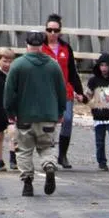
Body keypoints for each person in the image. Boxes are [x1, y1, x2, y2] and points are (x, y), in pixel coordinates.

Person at [3, 30, 66, 197]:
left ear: (27, 44)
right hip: (48, 116)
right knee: (46, 146)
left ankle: (27, 182)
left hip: (24, 115)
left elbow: (9, 92)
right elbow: (62, 91)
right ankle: (49, 165)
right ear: (42, 45)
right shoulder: (53, 65)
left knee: (24, 149)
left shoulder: (18, 65)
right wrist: (60, 111)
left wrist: (10, 112)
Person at [39, 14, 87, 170]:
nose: (52, 33)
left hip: (65, 90)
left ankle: (63, 154)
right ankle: (49, 154)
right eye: (49, 30)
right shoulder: (40, 48)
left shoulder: (66, 48)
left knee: (66, 120)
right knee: (50, 123)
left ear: (60, 31)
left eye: (55, 30)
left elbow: (72, 71)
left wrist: (80, 92)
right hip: (46, 91)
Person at [85, 52, 109, 171]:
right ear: (98, 66)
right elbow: (88, 95)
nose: (104, 68)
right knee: (100, 140)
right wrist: (83, 99)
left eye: (106, 65)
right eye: (101, 65)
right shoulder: (93, 81)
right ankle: (102, 162)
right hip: (99, 115)